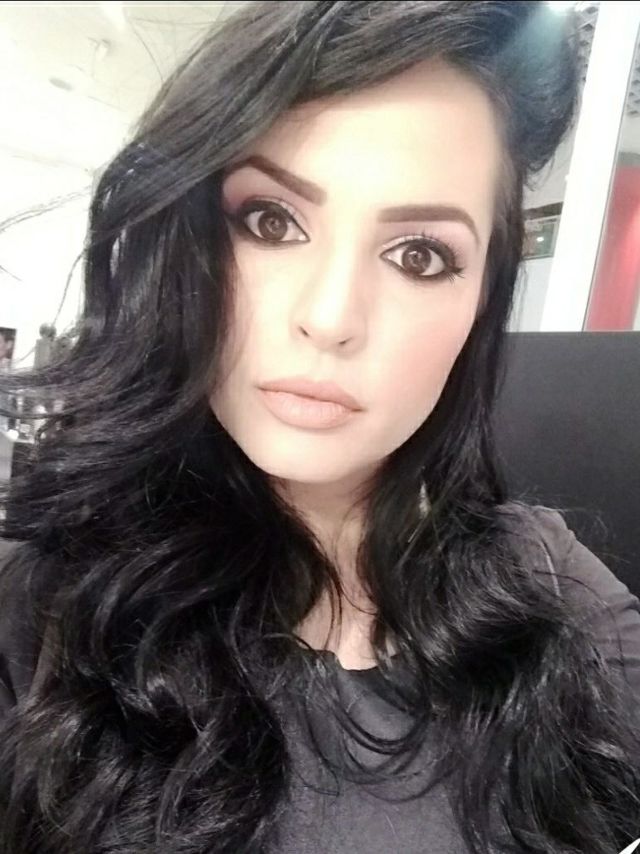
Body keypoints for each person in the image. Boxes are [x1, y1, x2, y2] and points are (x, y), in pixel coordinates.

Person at [0, 2, 639, 852]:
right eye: (271, 221)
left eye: (419, 255)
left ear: (480, 305)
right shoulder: (36, 608)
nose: (332, 317)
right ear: (184, 243)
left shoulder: (551, 582)